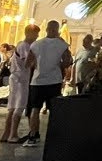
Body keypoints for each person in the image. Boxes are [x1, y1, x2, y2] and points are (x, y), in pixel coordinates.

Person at [23, 20, 71, 148]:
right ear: (57, 30)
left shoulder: (36, 44)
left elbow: (28, 63)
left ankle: (33, 136)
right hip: (54, 81)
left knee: (35, 108)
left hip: (37, 81)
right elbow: (67, 62)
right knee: (54, 110)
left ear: (46, 29)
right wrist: (57, 66)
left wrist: (38, 66)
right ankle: (54, 137)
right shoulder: (62, 45)